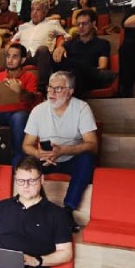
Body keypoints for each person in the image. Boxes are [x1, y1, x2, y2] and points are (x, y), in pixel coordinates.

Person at [20, 71, 98, 232]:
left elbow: (92, 144)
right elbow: (26, 145)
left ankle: (68, 210)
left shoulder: (81, 108)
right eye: (49, 88)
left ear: (70, 92)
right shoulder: (38, 110)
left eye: (58, 89)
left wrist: (63, 150)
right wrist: (38, 153)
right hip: (45, 159)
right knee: (19, 161)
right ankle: (40, 207)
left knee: (87, 159)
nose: (51, 93)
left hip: (70, 159)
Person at [0, 44, 39, 166]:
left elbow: (32, 99)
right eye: (8, 56)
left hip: (19, 114)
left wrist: (20, 91)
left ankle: (18, 158)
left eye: (14, 57)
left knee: (19, 117)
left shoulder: (29, 77)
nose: (9, 60)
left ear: (23, 60)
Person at [53, 9, 114, 97]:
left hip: (91, 76)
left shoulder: (102, 43)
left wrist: (82, 66)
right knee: (66, 66)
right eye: (78, 24)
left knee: (77, 68)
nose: (81, 26)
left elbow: (102, 67)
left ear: (93, 24)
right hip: (72, 77)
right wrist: (59, 48)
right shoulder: (69, 44)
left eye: (84, 23)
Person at [11, 0, 67, 92]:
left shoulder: (53, 23)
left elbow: (65, 36)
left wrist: (60, 46)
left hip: (41, 56)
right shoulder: (23, 26)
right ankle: (9, 85)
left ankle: (42, 90)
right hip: (24, 56)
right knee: (12, 52)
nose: (34, 12)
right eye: (32, 9)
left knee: (43, 49)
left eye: (38, 10)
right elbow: (12, 41)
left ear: (45, 12)